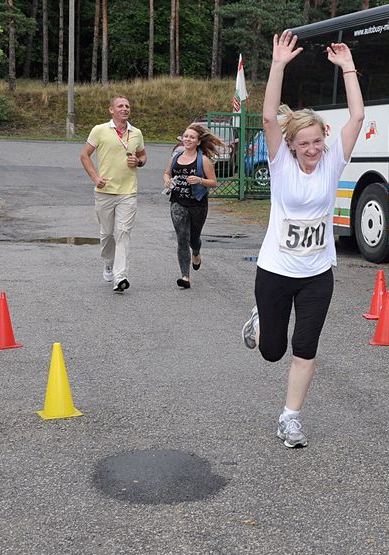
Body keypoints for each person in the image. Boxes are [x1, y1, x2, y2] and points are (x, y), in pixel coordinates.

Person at [241, 30, 364, 448]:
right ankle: (260, 320)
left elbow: (357, 118)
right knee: (272, 351)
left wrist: (348, 68)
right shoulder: (280, 165)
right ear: (291, 145)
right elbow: (268, 118)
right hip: (275, 271)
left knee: (305, 347)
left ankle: (290, 419)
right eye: (304, 143)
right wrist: (278, 65)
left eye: (317, 142)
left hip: (316, 274)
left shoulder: (333, 162)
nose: (312, 149)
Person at [80, 95, 147, 293]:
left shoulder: (136, 133)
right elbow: (84, 155)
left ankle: (120, 277)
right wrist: (95, 178)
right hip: (105, 191)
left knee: (123, 233)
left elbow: (143, 155)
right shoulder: (99, 130)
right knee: (107, 233)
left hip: (128, 191)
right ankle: (108, 263)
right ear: (111, 110)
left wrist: (139, 162)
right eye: (120, 106)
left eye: (127, 106)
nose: (125, 109)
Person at [163, 124, 222, 289]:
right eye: (186, 136)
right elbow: (167, 173)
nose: (188, 139)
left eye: (192, 137)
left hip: (197, 203)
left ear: (198, 142)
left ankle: (196, 252)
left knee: (193, 239)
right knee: (182, 238)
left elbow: (213, 182)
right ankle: (185, 276)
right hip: (177, 202)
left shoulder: (203, 160)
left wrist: (200, 180)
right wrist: (167, 180)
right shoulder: (176, 157)